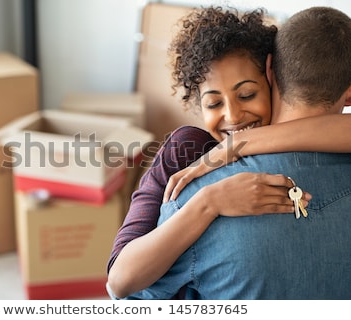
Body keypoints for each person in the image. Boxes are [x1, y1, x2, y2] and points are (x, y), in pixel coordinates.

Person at [106, 5, 351, 300]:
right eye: (213, 104)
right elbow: (120, 281)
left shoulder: (207, 176)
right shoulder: (184, 157)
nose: (234, 116)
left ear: (270, 74)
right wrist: (209, 202)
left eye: (247, 95)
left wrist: (239, 146)